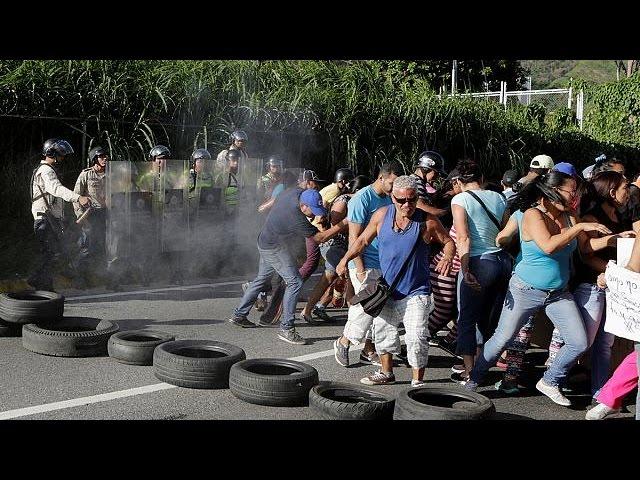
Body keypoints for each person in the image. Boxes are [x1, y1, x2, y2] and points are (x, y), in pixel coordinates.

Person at [463, 170, 614, 407]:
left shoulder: (570, 216)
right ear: (554, 191)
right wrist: (579, 226)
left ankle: (550, 380)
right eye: (571, 190)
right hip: (525, 290)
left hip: (558, 293)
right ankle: (474, 378)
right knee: (502, 339)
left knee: (579, 341)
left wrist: (614, 239)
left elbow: (585, 248)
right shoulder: (532, 215)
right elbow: (548, 246)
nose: (575, 196)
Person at [335, 175, 456, 386]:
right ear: (393, 198)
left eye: (411, 200)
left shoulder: (427, 222)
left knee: (417, 337)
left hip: (416, 291)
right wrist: (345, 259)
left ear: (417, 197)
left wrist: (447, 256)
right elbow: (362, 240)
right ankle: (386, 372)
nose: (406, 205)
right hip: (388, 289)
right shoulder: (381, 216)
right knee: (383, 333)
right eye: (401, 200)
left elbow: (448, 242)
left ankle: (417, 382)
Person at [227, 188, 346, 345]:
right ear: (303, 206)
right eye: (313, 211)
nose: (316, 215)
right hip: (273, 246)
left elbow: (279, 198)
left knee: (262, 278)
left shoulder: (295, 193)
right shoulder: (296, 216)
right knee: (295, 281)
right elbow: (320, 238)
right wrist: (344, 223)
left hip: (264, 239)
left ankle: (239, 315)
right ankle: (287, 328)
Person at [333, 161, 403, 367]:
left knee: (381, 309)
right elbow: (354, 237)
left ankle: (368, 350)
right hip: (365, 261)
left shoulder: (392, 199)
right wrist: (360, 267)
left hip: (386, 262)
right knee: (367, 306)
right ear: (381, 177)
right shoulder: (362, 199)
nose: (394, 188)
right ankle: (344, 341)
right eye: (392, 183)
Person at [450, 159, 512, 382]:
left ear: (459, 180)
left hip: (478, 261)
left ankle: (470, 371)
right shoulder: (499, 197)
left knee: (467, 318)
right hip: (502, 261)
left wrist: (465, 270)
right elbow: (505, 234)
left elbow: (463, 237)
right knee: (491, 320)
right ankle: (486, 364)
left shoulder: (460, 199)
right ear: (482, 179)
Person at [301, 174, 371, 323]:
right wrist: (352, 225)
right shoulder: (344, 200)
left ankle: (317, 307)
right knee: (341, 276)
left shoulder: (359, 201)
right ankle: (312, 309)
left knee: (332, 277)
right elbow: (334, 223)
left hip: (345, 245)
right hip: (334, 245)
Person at [28, 138, 91, 291]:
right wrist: (78, 197)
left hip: (49, 219)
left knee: (51, 253)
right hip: (45, 219)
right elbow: (56, 189)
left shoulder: (45, 170)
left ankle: (44, 285)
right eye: (61, 155)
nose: (63, 158)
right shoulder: (46, 171)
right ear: (53, 153)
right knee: (51, 253)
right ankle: (38, 280)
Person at [73, 145, 109, 286]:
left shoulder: (112, 174)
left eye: (105, 156)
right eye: (101, 156)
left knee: (103, 246)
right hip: (90, 215)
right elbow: (76, 196)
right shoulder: (86, 174)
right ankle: (80, 278)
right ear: (94, 159)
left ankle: (102, 276)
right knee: (86, 247)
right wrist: (81, 217)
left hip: (106, 214)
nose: (104, 158)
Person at [410, 150, 448, 217]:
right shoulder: (415, 182)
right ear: (425, 169)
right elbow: (421, 207)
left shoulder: (417, 181)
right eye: (436, 173)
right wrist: (447, 212)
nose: (437, 177)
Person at [214, 149, 241, 217]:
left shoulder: (240, 176)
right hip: (226, 212)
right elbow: (218, 197)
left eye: (237, 160)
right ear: (228, 161)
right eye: (234, 160)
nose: (236, 163)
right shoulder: (222, 176)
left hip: (238, 211)